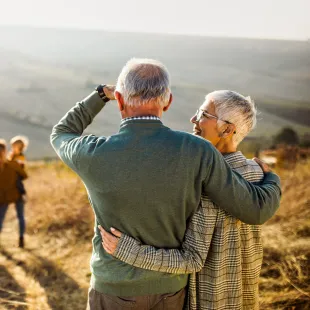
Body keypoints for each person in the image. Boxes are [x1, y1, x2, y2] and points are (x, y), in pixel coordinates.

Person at [50, 58, 281, 310]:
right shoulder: (198, 151)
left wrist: (100, 96)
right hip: (171, 293)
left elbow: (61, 133)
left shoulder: (92, 152)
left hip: (113, 290)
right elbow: (255, 209)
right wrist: (271, 178)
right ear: (168, 101)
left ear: (119, 98)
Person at [100, 90, 273, 309]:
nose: (193, 119)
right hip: (246, 299)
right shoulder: (258, 173)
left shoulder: (203, 182)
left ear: (227, 129)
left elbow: (192, 259)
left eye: (203, 114)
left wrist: (128, 251)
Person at [0, 139, 28, 247]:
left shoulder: (13, 161)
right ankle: (21, 238)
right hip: (17, 193)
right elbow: (24, 175)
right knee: (20, 216)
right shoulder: (14, 163)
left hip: (3, 196)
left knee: (0, 219)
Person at [8, 136, 29, 248]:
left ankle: (21, 238)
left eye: (16, 145)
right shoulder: (11, 156)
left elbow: (18, 172)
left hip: (17, 187)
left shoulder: (20, 157)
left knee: (20, 215)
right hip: (9, 187)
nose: (13, 147)